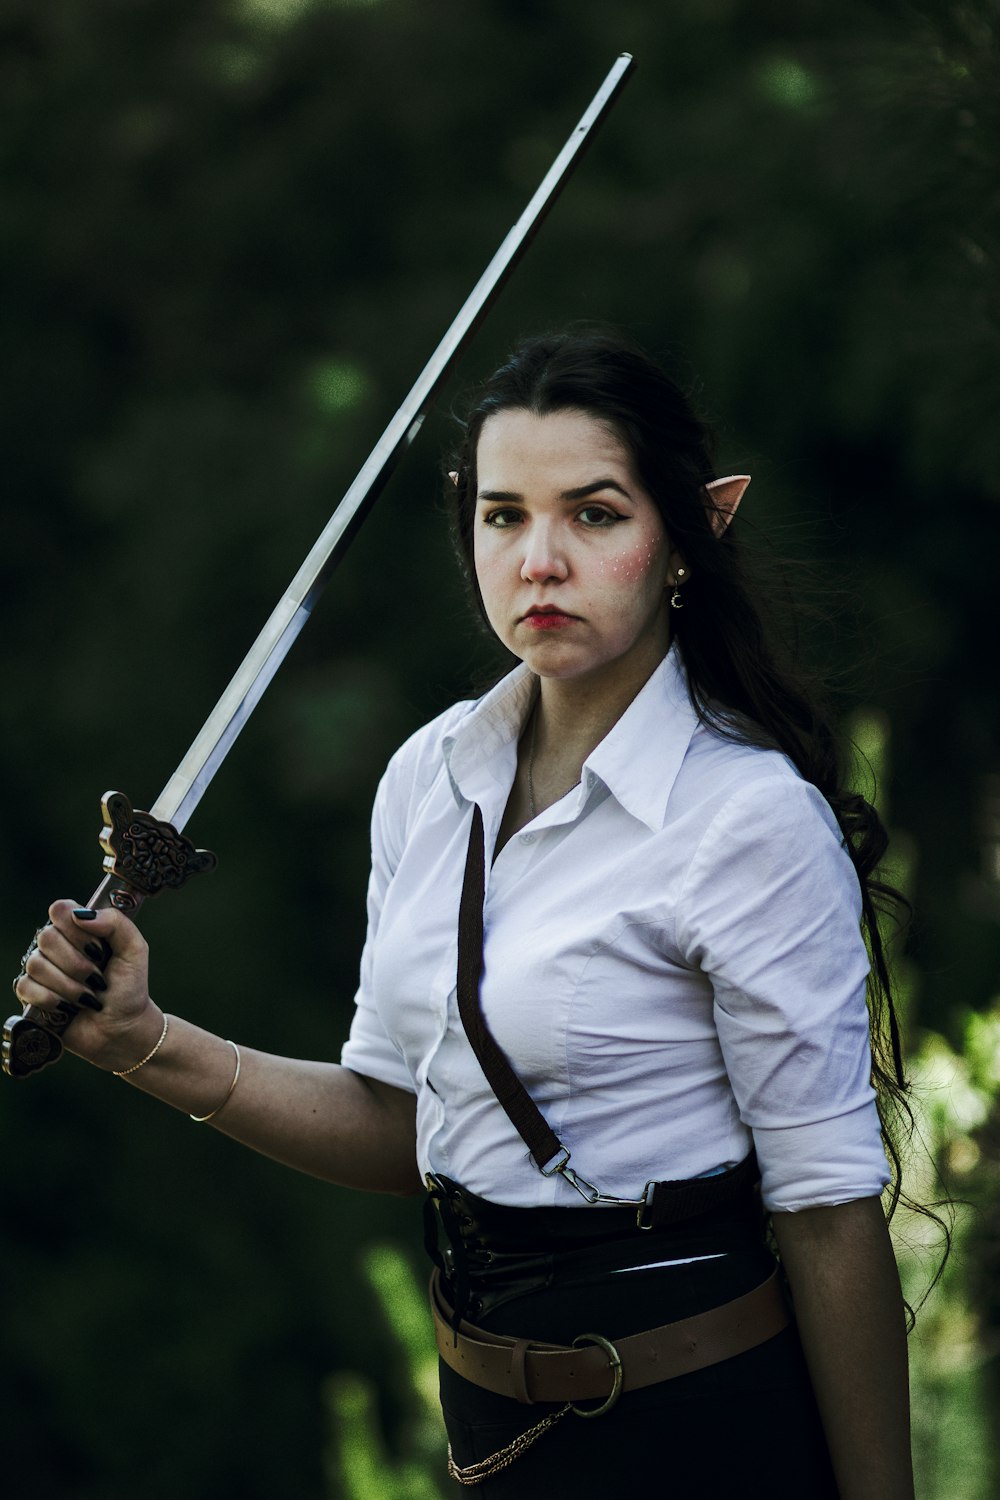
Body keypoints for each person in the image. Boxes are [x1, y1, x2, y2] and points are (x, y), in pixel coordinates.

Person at [14, 330, 915, 1498]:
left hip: (698, 1429)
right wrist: (145, 1044)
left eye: (593, 515)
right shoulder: (429, 776)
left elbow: (829, 1213)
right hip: (492, 1437)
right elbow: (410, 1124)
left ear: (694, 529)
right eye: (503, 516)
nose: (538, 560)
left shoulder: (744, 818)